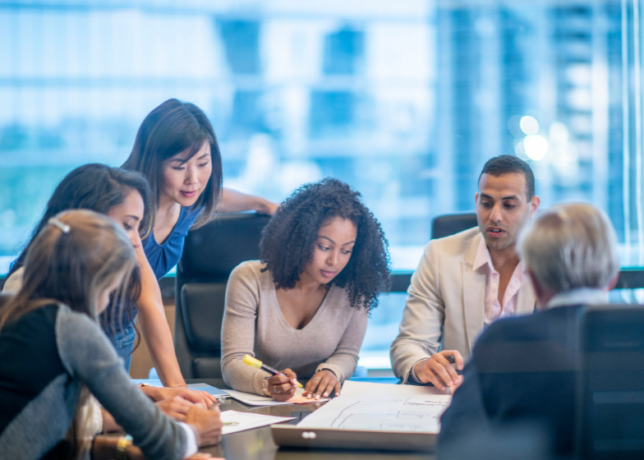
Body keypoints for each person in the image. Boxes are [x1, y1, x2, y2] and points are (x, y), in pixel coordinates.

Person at [2, 164, 217, 430]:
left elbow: (82, 389)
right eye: (128, 226)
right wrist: (147, 417)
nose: (137, 243)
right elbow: (47, 413)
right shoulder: (28, 291)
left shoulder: (90, 287)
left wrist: (151, 392)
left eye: (139, 228)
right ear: (87, 221)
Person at [438, 203, 620, 458]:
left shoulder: (504, 340)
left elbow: (454, 446)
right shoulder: (635, 333)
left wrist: (468, 399)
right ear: (613, 276)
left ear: (533, 280)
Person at [114, 98, 277, 378]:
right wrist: (177, 390)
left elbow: (217, 198)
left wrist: (262, 204)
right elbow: (148, 301)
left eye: (203, 163)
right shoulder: (126, 208)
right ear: (152, 162)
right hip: (81, 327)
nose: (194, 179)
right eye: (179, 167)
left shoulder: (187, 202)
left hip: (120, 330)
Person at [221, 179, 390, 401]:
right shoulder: (249, 278)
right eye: (324, 247)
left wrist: (331, 372)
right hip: (264, 402)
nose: (334, 261)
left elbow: (347, 353)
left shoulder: (355, 287)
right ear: (299, 239)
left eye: (347, 250)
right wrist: (266, 383)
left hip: (323, 402)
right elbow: (234, 361)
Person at [390, 155, 540, 390]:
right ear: (476, 201)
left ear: (533, 207)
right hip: (463, 400)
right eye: (487, 203)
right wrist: (421, 365)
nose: (495, 216)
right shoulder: (439, 256)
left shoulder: (555, 261)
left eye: (509, 205)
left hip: (531, 399)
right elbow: (409, 343)